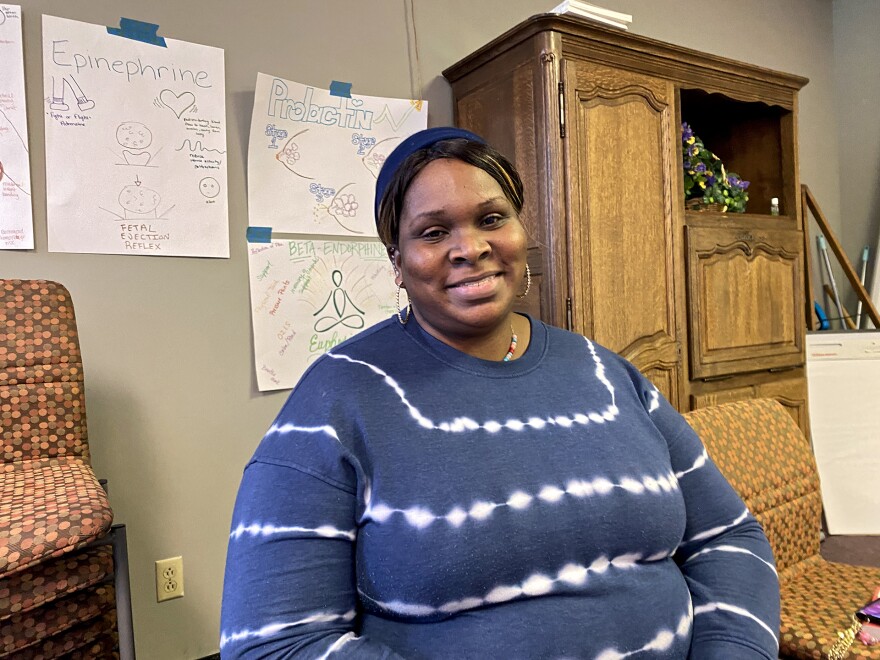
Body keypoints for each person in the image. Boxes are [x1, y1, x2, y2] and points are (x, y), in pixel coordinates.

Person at [220, 127, 781, 659]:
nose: (471, 247)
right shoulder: (337, 400)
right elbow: (272, 642)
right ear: (397, 261)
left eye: (492, 218)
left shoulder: (605, 372)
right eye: (433, 232)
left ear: (520, 232)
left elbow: (728, 537)